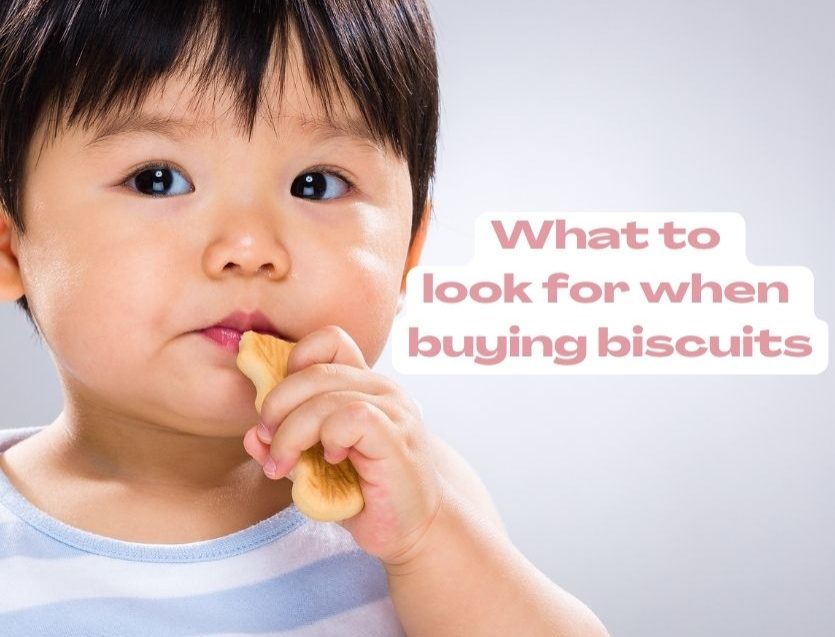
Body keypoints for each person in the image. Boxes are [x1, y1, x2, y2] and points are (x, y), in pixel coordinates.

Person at [0, 1, 610, 635]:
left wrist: (427, 539)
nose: (251, 247)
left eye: (317, 183)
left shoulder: (409, 493)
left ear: (408, 254)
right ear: (11, 243)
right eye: (158, 179)